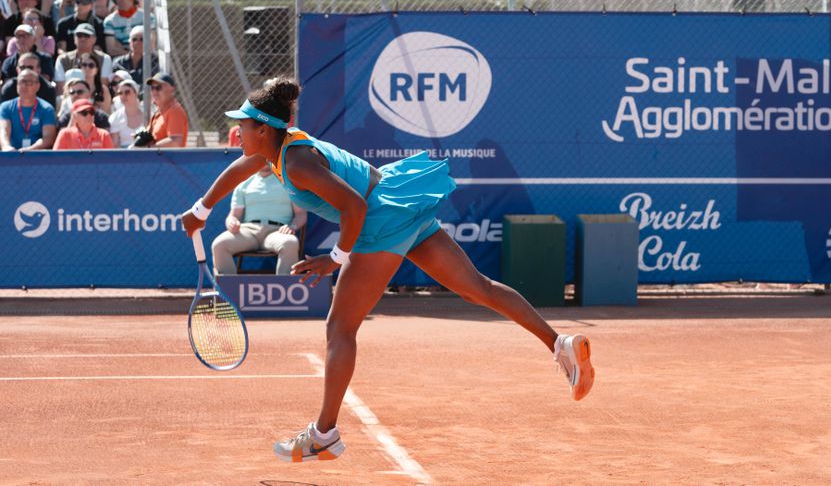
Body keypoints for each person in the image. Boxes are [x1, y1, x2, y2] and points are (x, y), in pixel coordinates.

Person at [180, 77, 595, 462]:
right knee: (477, 287)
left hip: (378, 219)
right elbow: (242, 168)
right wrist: (202, 210)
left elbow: (354, 209)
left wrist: (335, 259)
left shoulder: (299, 163)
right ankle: (561, 345)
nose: (238, 133)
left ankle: (323, 434)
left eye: (244, 126)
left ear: (264, 130)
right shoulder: (278, 150)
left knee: (339, 329)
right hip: (398, 201)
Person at [211, 163, 308, 276]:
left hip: (277, 231)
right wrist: (231, 222)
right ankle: (228, 291)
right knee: (219, 245)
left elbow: (301, 214)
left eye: (266, 157)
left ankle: (285, 290)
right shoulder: (243, 184)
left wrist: (292, 227)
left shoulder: (288, 182)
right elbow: (233, 216)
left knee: (290, 243)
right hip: (248, 232)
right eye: (259, 158)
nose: (263, 161)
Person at [0, 66, 56, 150]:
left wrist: (29, 150)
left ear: (38, 86)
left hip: (37, 156)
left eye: (29, 82)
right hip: (12, 155)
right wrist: (6, 147)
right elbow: (4, 131)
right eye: (21, 82)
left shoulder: (47, 109)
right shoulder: (6, 107)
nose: (24, 86)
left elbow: (48, 138)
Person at [139, 72, 186, 147]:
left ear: (172, 90)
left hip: (170, 158)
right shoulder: (158, 112)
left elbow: (175, 141)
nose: (154, 92)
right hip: (157, 158)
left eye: (158, 88)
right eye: (152, 88)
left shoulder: (174, 110)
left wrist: (149, 149)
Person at [108, 75, 140, 145]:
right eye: (120, 93)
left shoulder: (148, 114)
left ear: (136, 93)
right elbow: (115, 146)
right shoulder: (115, 117)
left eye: (127, 92)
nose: (123, 96)